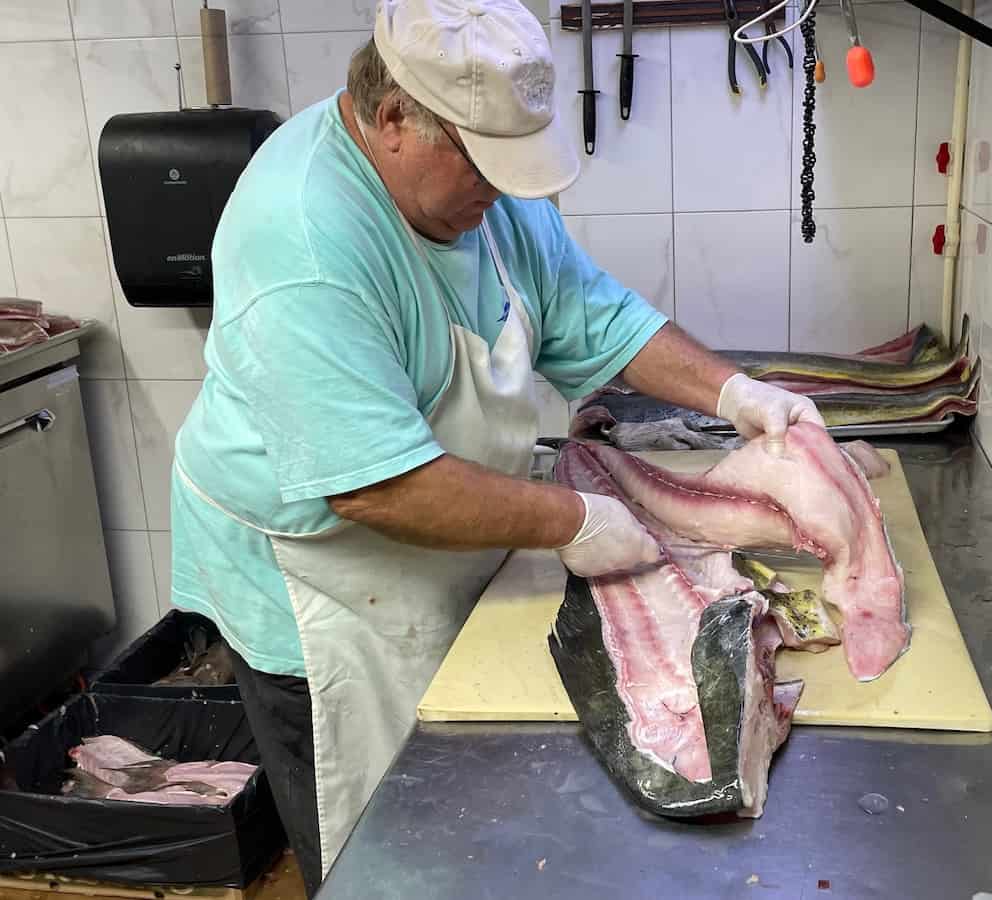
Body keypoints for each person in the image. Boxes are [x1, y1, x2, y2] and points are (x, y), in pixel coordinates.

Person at [167, 0, 822, 894]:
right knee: (380, 845)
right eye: (480, 160)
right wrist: (576, 520)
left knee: (474, 825)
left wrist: (735, 392)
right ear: (394, 115)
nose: (500, 190)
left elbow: (589, 314)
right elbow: (378, 489)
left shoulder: (481, 198)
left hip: (439, 541)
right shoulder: (307, 235)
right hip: (318, 579)